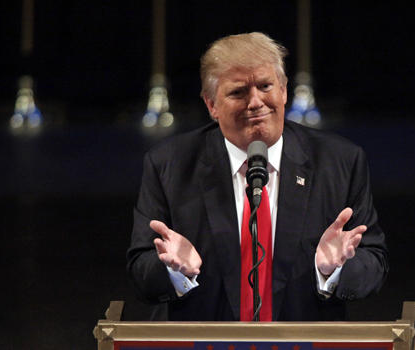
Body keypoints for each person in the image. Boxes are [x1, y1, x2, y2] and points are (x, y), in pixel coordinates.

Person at [127, 32, 388, 321]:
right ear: (211, 104)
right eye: (238, 92)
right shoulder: (169, 165)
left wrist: (332, 270)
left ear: (284, 91)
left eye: (265, 86)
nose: (256, 102)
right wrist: (174, 271)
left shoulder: (339, 161)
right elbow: (142, 271)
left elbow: (373, 263)